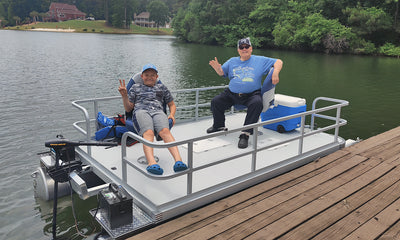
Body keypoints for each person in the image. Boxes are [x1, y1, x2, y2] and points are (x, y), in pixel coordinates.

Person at [208, 37, 283, 149]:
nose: (244, 49)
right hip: (231, 94)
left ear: (251, 48)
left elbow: (279, 61)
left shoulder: (260, 60)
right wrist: (218, 69)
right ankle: (218, 126)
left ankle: (245, 134)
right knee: (216, 101)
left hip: (252, 94)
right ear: (238, 50)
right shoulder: (232, 61)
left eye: (246, 47)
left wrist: (275, 72)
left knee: (257, 103)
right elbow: (222, 73)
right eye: (241, 47)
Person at [118, 63, 188, 175]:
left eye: (152, 75)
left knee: (165, 131)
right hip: (141, 111)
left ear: (157, 77)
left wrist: (172, 115)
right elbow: (128, 108)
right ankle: (152, 164)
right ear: (142, 76)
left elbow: (172, 104)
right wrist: (124, 96)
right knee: (148, 133)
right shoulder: (135, 87)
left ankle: (178, 162)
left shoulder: (162, 88)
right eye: (146, 74)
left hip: (158, 111)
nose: (149, 77)